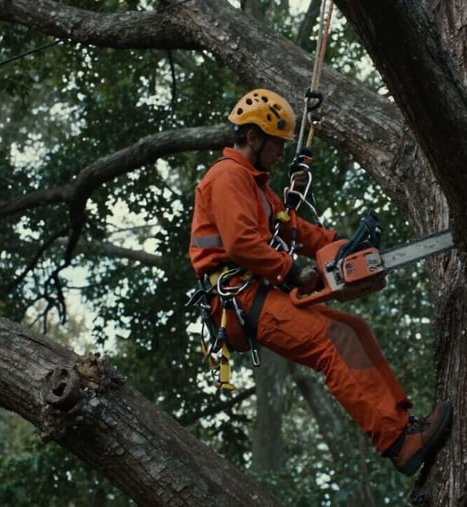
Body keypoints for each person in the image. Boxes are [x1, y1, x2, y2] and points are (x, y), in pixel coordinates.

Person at [189, 88, 452, 476]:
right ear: (252, 138)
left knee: (353, 328)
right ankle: (397, 442)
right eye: (276, 144)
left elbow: (294, 230)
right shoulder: (228, 176)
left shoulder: (256, 185)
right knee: (334, 342)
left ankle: (402, 423)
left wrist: (341, 245)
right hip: (243, 297)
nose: (280, 153)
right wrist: (294, 272)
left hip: (261, 291)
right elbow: (242, 244)